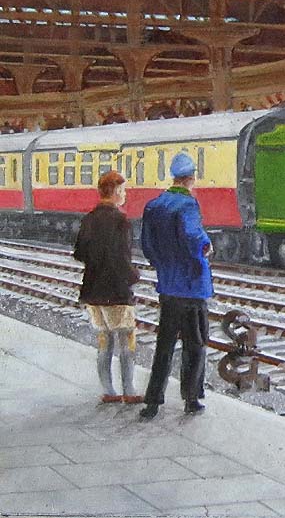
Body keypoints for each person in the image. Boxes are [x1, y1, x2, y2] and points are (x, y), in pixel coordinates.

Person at [138, 152, 214, 419]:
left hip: (168, 287)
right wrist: (206, 248)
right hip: (192, 287)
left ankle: (152, 402)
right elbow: (195, 238)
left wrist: (162, 265)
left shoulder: (154, 205)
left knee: (164, 344)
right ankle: (191, 398)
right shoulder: (187, 205)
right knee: (195, 344)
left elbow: (147, 245)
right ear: (190, 178)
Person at [73, 170, 143, 404]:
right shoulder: (120, 221)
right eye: (122, 191)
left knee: (104, 341)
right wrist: (134, 276)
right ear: (114, 192)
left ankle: (108, 391)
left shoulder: (89, 218)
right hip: (117, 292)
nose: (124, 195)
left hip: (92, 291)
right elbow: (122, 259)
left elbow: (79, 253)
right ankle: (129, 390)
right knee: (126, 340)